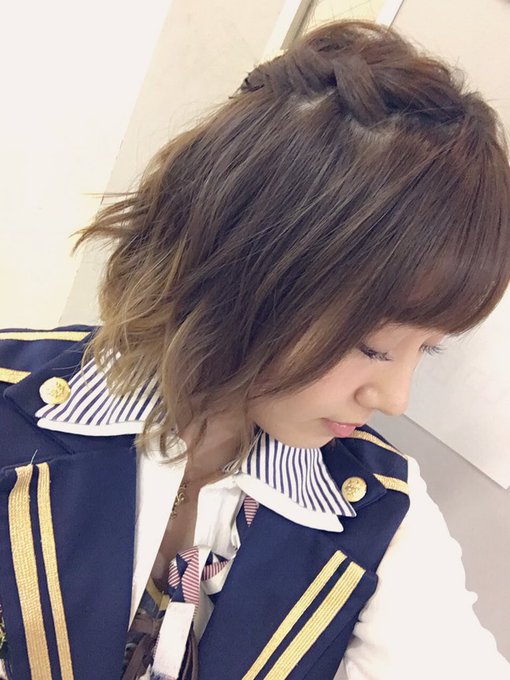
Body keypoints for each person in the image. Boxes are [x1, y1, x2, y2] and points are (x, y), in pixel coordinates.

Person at [0, 18, 509, 680]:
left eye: (427, 350)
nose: (393, 397)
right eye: (371, 346)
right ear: (244, 268)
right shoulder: (13, 407)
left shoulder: (379, 510)